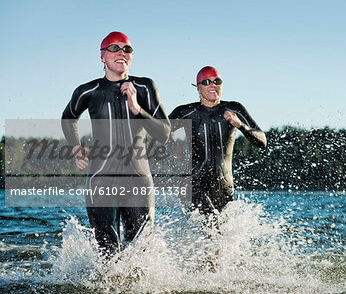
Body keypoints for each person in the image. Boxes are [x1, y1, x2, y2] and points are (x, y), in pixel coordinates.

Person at [61, 31, 171, 257]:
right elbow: (68, 117)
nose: (121, 52)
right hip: (101, 178)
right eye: (114, 48)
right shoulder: (88, 91)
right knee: (107, 254)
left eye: (127, 49)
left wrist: (137, 109)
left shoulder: (145, 87)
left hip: (138, 180)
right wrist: (75, 147)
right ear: (102, 56)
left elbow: (165, 134)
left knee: (140, 255)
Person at [169, 66, 267, 217]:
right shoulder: (184, 112)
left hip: (224, 186)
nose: (213, 85)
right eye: (207, 81)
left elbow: (262, 141)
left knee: (223, 236)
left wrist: (240, 125)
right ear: (198, 88)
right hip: (193, 185)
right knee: (211, 223)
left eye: (217, 81)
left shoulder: (234, 108)